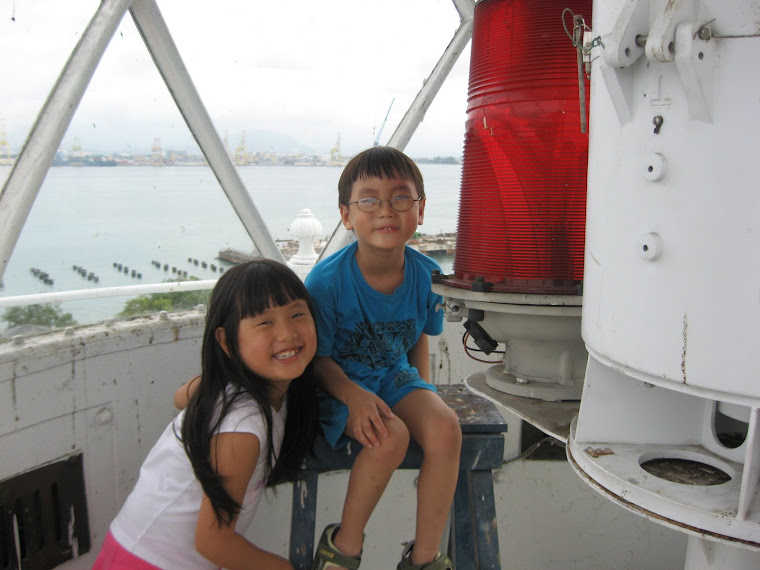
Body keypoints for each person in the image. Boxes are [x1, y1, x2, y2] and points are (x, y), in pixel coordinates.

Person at [93, 259, 319, 569]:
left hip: (135, 548)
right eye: (265, 322)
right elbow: (213, 541)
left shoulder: (245, 390)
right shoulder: (243, 427)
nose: (287, 333)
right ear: (227, 342)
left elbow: (179, 397)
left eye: (297, 314)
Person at [305, 147, 462, 570]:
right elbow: (316, 360)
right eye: (369, 200)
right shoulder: (326, 281)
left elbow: (418, 341)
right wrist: (354, 398)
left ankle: (425, 559)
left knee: (445, 428)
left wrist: (425, 395)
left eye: (400, 197)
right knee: (389, 436)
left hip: (393, 377)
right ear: (346, 214)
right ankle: (343, 548)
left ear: (421, 209)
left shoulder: (427, 276)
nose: (386, 210)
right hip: (339, 385)